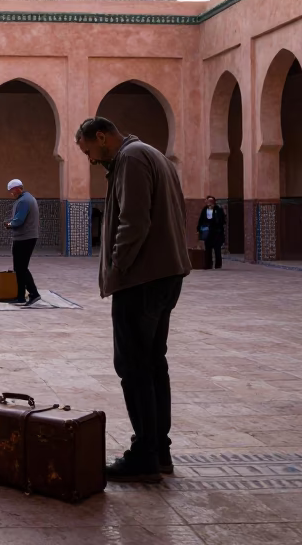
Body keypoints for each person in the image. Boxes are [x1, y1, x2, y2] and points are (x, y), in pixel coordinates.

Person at [76, 117, 190, 484]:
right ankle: (159, 451)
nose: (91, 160)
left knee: (134, 367)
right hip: (163, 275)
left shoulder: (130, 158)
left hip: (141, 279)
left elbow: (134, 222)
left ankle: (145, 455)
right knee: (154, 364)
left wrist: (118, 268)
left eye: (89, 151)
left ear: (102, 137)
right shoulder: (152, 155)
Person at [4, 178, 42, 306]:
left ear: (18, 189)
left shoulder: (24, 201)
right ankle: (20, 296)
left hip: (24, 238)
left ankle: (34, 294)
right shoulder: (27, 198)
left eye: (12, 191)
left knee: (21, 268)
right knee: (19, 268)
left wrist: (9, 224)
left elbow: (19, 221)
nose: (11, 194)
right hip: (25, 237)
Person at [198, 196, 227, 269]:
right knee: (208, 249)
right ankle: (208, 264)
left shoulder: (218, 209)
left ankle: (218, 264)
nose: (209, 203)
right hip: (207, 232)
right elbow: (201, 220)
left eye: (211, 201)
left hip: (217, 232)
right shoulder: (204, 210)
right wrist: (199, 229)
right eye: (208, 201)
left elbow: (222, 220)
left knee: (217, 249)